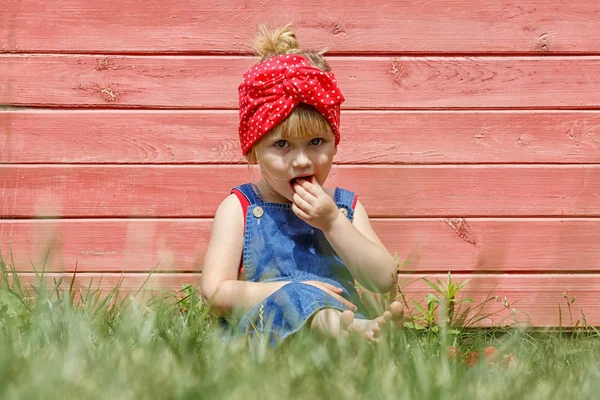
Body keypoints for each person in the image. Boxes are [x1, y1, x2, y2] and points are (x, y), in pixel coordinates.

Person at [201, 24, 404, 346]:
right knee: (298, 297)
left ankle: (354, 341)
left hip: (343, 317)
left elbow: (382, 279)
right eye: (282, 145)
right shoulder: (239, 207)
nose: (301, 161)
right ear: (254, 150)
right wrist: (297, 292)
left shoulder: (344, 207)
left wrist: (333, 223)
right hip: (263, 336)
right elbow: (215, 292)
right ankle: (349, 336)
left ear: (335, 144)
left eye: (316, 142)